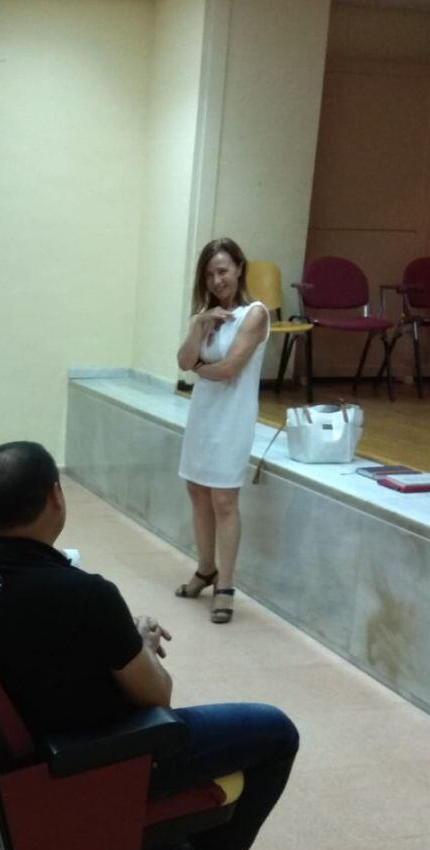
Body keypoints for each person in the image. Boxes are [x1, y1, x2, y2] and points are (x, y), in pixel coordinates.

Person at [0, 442, 297, 850]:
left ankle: (149, 846)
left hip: (27, 751)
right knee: (277, 732)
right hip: (106, 759)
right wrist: (138, 642)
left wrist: (122, 638)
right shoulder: (87, 594)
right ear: (57, 496)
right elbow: (158, 694)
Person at [175, 239, 270, 624]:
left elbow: (230, 369)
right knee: (197, 491)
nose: (217, 280)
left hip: (233, 417)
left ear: (239, 269)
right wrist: (199, 326)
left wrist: (200, 368)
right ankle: (205, 567)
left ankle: (226, 586)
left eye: (223, 271)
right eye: (210, 274)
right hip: (203, 415)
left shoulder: (255, 313)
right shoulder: (208, 315)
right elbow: (183, 360)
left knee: (224, 500)